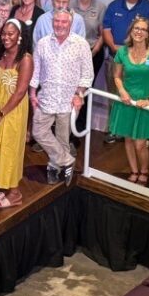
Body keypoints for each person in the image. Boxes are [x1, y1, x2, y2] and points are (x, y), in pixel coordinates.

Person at [29, 10, 94, 186]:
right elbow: (35, 72)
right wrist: (32, 92)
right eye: (56, 21)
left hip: (69, 99)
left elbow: (87, 75)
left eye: (63, 22)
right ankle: (67, 160)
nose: (59, 25)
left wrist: (79, 94)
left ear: (70, 24)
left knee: (63, 138)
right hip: (46, 97)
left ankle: (55, 168)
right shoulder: (42, 43)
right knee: (38, 131)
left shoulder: (81, 44)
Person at [108, 17, 149, 184]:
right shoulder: (122, 52)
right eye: (136, 28)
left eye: (143, 29)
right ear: (131, 31)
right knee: (128, 139)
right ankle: (134, 170)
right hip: (127, 102)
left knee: (140, 143)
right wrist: (122, 92)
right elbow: (117, 76)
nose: (139, 32)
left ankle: (144, 170)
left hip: (145, 103)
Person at [102, 0, 149, 143]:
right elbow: (106, 30)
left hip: (138, 62)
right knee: (116, 94)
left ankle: (134, 131)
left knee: (136, 96)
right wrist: (116, 49)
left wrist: (129, 52)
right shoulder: (114, 5)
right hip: (115, 58)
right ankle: (115, 129)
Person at [0, 20, 33, 208]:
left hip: (12, 111)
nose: (6, 37)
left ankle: (15, 193)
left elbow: (20, 92)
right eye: (4, 33)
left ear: (20, 35)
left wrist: (1, 114)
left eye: (11, 33)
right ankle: (4, 186)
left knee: (10, 149)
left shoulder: (25, 59)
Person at [72, 0, 107, 138]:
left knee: (84, 90)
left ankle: (80, 128)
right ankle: (67, 126)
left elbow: (102, 34)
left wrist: (92, 53)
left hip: (93, 54)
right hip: (71, 56)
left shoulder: (100, 7)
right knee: (70, 89)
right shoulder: (71, 4)